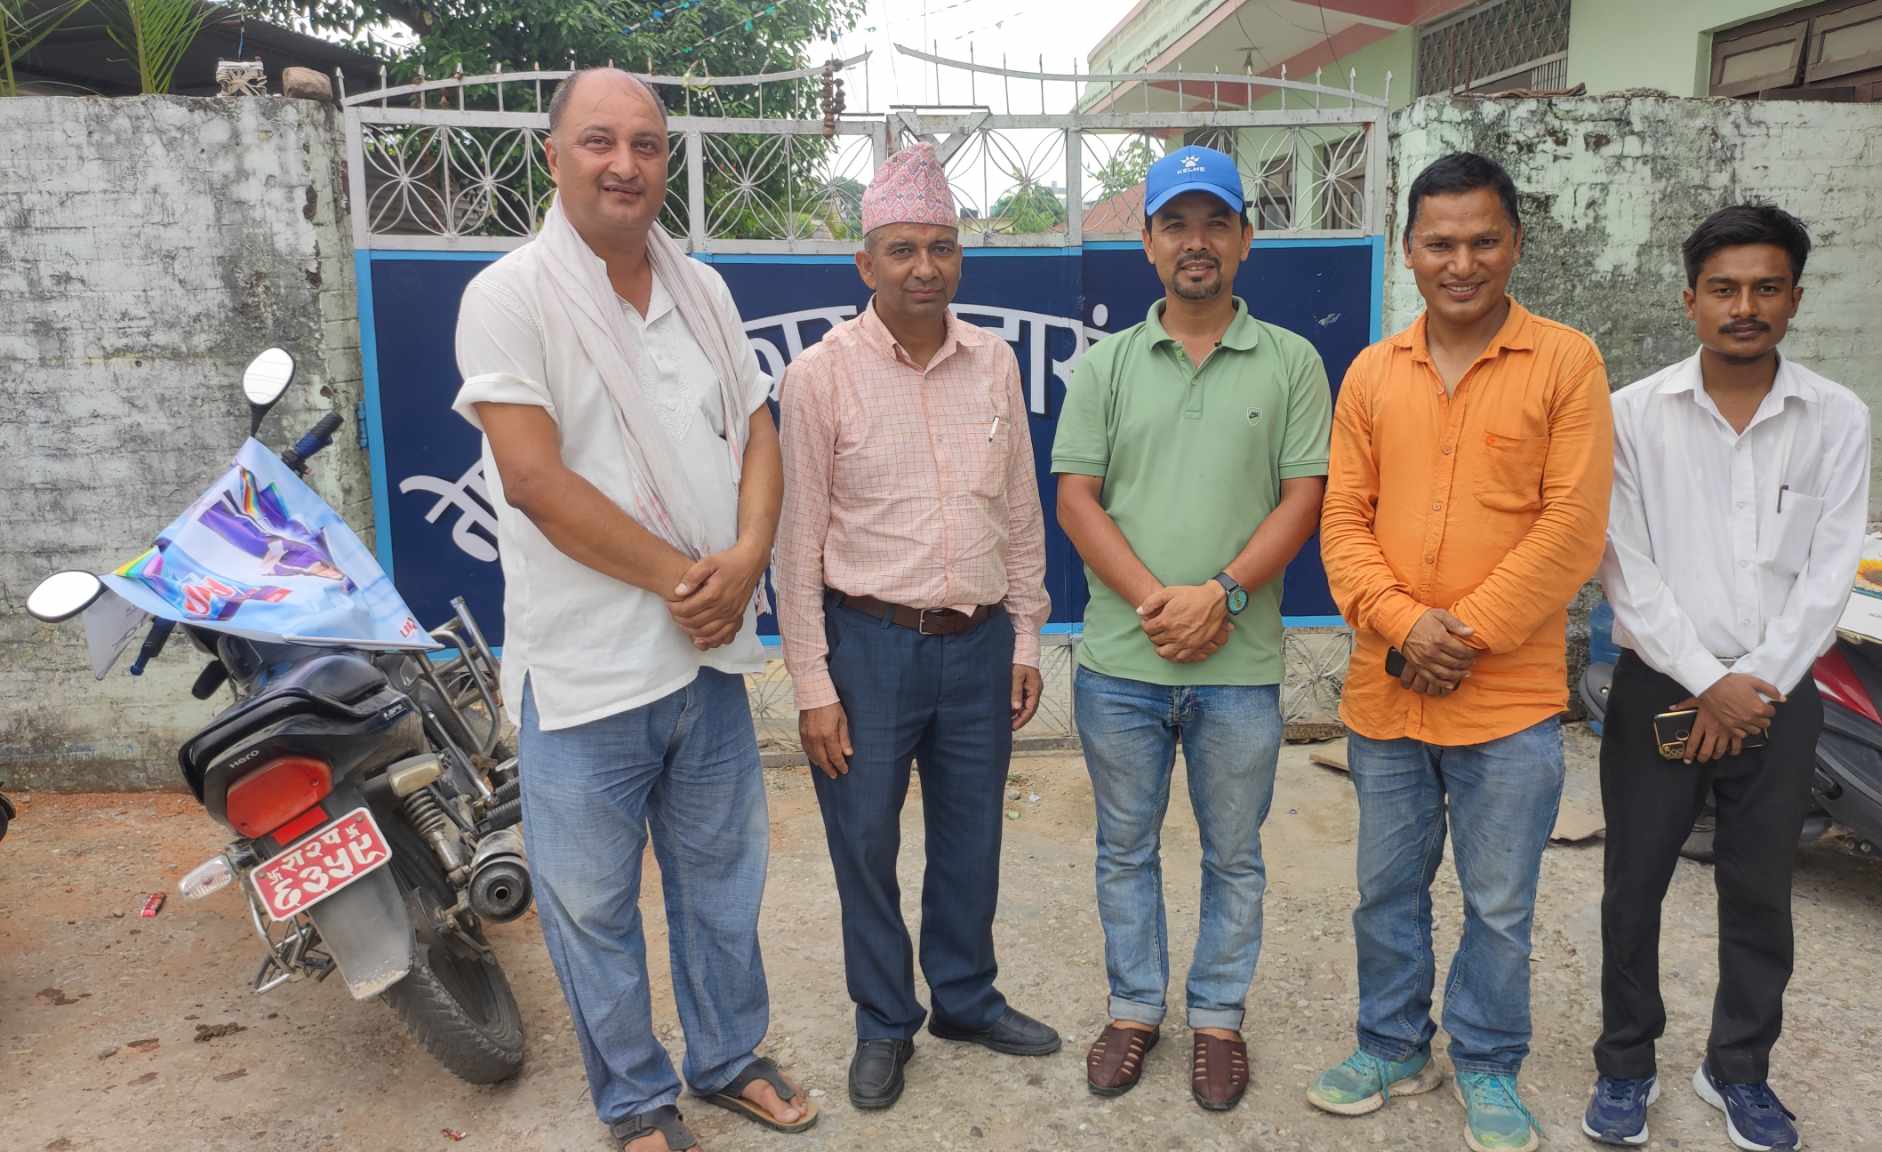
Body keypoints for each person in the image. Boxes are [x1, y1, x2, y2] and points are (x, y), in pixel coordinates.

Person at [451, 68, 816, 1152]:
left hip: (705, 662)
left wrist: (746, 560)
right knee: (592, 906)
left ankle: (727, 1058)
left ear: (666, 161)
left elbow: (758, 431)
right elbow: (534, 480)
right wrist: (688, 582)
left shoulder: (701, 291)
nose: (625, 164)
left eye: (646, 144)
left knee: (721, 887)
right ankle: (634, 1102)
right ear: (551, 155)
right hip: (587, 673)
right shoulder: (510, 296)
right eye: (599, 141)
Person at [1309, 151, 1613, 1152]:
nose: (1462, 262)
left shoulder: (1565, 363)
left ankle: (1486, 1063)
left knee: (1500, 904)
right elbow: (1343, 524)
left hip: (1507, 701)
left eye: (1483, 240)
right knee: (1385, 893)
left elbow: (1571, 528)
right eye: (1439, 243)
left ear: (1514, 243)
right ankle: (1392, 1045)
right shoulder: (1371, 373)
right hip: (1388, 694)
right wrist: (1405, 626)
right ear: (1408, 251)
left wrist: (1463, 634)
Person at [774, 141, 1059, 1112]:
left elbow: (1019, 511)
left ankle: (966, 1000)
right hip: (867, 648)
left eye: (940, 246)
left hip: (978, 645)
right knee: (863, 842)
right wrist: (812, 684)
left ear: (959, 258)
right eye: (901, 249)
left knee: (970, 838)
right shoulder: (820, 377)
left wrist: (1025, 637)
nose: (923, 267)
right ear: (866, 263)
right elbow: (796, 542)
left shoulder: (995, 363)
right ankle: (884, 1020)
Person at [1581, 204, 1867, 1152]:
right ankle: (1626, 1063)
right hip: (1659, 686)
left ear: (1794, 298)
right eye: (1724, 289)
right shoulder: (1631, 414)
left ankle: (1739, 1070)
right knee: (1634, 886)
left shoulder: (1837, 417)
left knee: (1759, 890)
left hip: (1778, 697)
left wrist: (1755, 684)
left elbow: (1832, 570)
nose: (1745, 307)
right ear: (1690, 299)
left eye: (1766, 288)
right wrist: (1709, 681)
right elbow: (1625, 565)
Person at [1051, 145, 1331, 1113]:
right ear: (1148, 244)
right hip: (1122, 664)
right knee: (1123, 848)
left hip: (1237, 666)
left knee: (1233, 854)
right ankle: (1134, 1008)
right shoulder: (1107, 366)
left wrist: (1221, 594)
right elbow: (1077, 501)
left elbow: (1303, 499)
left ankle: (1217, 1017)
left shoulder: (1291, 362)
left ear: (1246, 240)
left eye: (1215, 223)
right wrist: (1155, 601)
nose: (1196, 242)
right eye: (1176, 224)